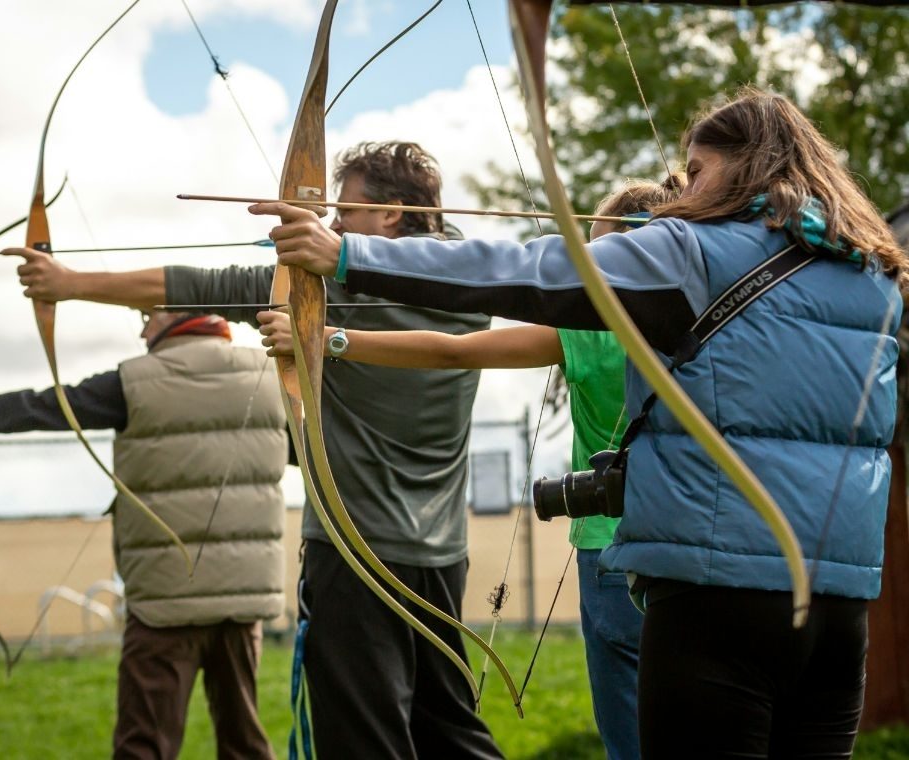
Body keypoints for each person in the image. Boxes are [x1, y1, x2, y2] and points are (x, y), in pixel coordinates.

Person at [254, 89, 906, 758]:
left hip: (716, 597)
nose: (683, 191)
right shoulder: (871, 269)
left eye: (696, 170)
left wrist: (347, 255)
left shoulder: (692, 252)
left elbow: (528, 269)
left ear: (745, 166)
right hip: (837, 608)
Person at [6, 142, 503, 759]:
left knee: (362, 741)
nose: (333, 223)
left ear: (391, 213)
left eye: (344, 211)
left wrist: (69, 283)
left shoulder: (334, 293)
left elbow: (200, 286)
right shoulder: (472, 285)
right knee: (450, 731)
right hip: (443, 555)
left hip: (354, 555)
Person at [257, 176, 683, 760]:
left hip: (610, 552)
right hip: (692, 550)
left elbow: (450, 352)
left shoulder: (592, 330)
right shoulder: (710, 322)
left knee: (631, 741)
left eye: (598, 252)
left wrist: (325, 339)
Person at [0, 309, 285, 760]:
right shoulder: (268, 378)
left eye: (148, 316)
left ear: (177, 310)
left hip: (164, 602)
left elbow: (36, 407)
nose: (142, 330)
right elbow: (305, 453)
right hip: (243, 602)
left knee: (144, 747)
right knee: (244, 744)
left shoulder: (134, 382)